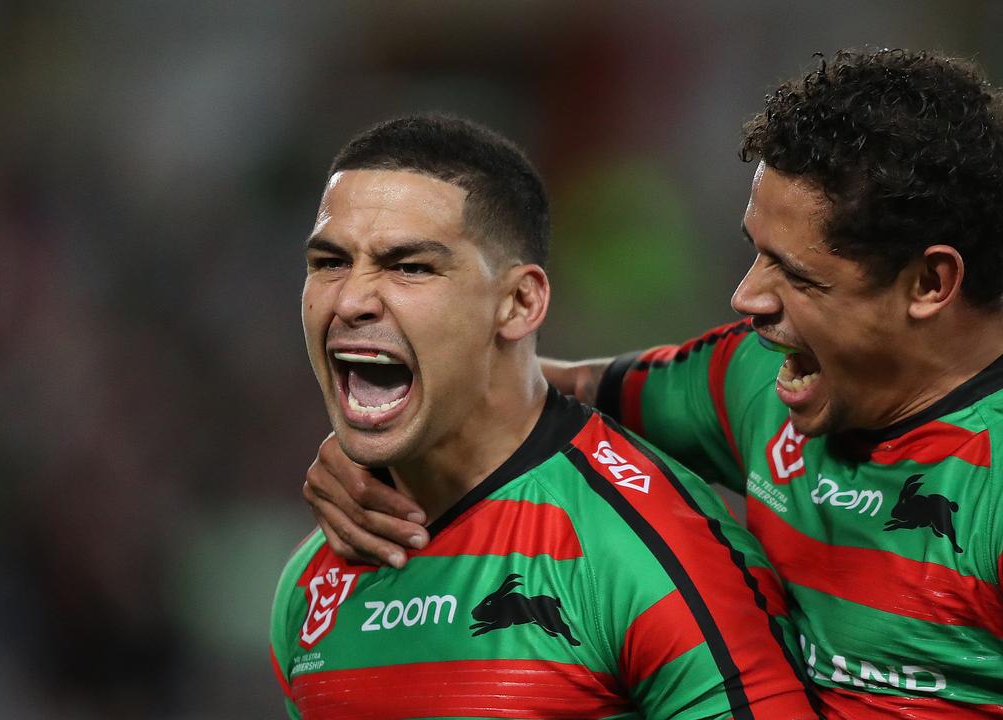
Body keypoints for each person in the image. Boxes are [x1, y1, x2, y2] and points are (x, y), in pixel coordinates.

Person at [301, 51, 1003, 719]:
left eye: (797, 276)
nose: (747, 300)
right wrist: (384, 444)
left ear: (930, 284)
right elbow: (538, 394)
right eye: (754, 253)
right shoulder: (762, 378)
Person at [270, 114, 822, 720]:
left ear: (519, 302)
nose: (350, 300)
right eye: (328, 262)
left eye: (410, 266)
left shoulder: (648, 554)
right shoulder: (309, 584)